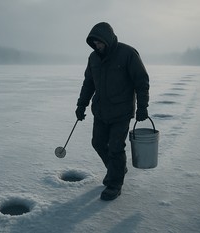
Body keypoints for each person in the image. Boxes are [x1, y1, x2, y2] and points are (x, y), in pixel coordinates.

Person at [75, 22, 150, 201]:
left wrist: (142, 107)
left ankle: (114, 184)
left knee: (116, 148)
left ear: (107, 39)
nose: (96, 46)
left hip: (121, 111)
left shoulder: (128, 54)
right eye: (94, 43)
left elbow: (141, 82)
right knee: (98, 143)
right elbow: (89, 83)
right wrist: (81, 105)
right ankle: (117, 168)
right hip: (100, 110)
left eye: (99, 42)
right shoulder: (93, 58)